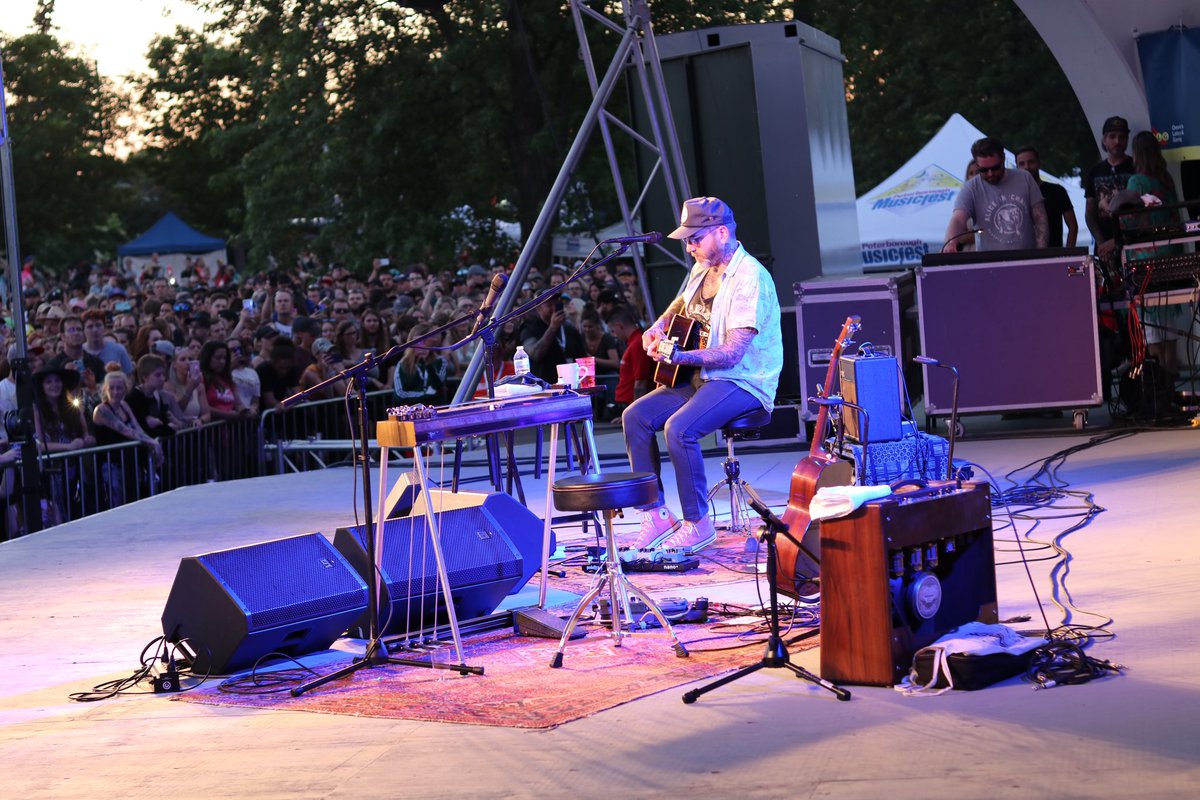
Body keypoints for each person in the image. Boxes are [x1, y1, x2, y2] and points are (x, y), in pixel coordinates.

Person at [622, 196, 782, 554]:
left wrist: (679, 354)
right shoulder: (701, 268)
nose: (689, 245)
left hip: (743, 380)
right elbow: (680, 304)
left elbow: (733, 353)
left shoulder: (749, 277)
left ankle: (698, 523)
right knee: (635, 416)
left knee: (679, 428)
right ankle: (655, 514)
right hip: (702, 376)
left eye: (696, 238)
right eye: (687, 239)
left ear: (722, 233)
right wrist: (657, 327)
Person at [1121, 130, 1185, 377]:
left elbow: (1128, 222)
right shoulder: (1166, 179)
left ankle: (1160, 384)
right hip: (1168, 253)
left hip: (1144, 257)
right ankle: (1171, 373)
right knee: (1168, 322)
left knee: (1150, 325)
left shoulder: (1137, 182)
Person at [945, 137, 1048, 252]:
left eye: (995, 168)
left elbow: (1040, 219)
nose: (990, 174)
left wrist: (1040, 252)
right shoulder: (971, 188)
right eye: (983, 170)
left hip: (1025, 257)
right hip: (989, 263)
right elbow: (958, 219)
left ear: (1003, 158)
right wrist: (950, 243)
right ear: (977, 165)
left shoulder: (1024, 178)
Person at [92, 365, 162, 506]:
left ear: (125, 389)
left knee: (133, 498)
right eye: (111, 388)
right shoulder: (101, 410)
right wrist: (153, 443)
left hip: (128, 461)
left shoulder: (124, 405)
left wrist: (153, 443)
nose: (115, 392)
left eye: (119, 388)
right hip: (109, 463)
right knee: (116, 500)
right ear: (105, 389)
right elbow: (125, 430)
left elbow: (137, 428)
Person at [1084, 116, 1135, 265]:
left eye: (1122, 137)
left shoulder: (1136, 167)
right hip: (1104, 246)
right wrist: (1101, 243)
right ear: (1104, 140)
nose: (1117, 141)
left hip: (1134, 244)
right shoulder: (1095, 172)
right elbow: (1090, 213)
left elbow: (1144, 215)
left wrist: (1117, 240)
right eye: (1112, 136)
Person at [1016, 145, 1078, 248]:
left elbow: (1072, 225)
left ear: (1039, 163)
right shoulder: (1013, 194)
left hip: (1052, 255)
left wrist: (1069, 254)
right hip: (1022, 256)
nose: (1027, 167)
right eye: (1022, 164)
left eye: (1031, 162)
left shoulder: (1057, 191)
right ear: (1017, 167)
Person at [518, 294, 587, 384]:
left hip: (570, 385)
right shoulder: (529, 327)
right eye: (549, 305)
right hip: (543, 387)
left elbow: (582, 358)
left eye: (556, 304)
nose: (554, 308)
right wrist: (553, 328)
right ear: (539, 309)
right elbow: (535, 354)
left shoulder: (569, 328)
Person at [607, 304, 653, 410]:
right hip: (626, 406)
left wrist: (633, 413)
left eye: (613, 330)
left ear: (620, 326)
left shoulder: (638, 344)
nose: (614, 335)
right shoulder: (633, 343)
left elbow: (641, 382)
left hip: (630, 407)